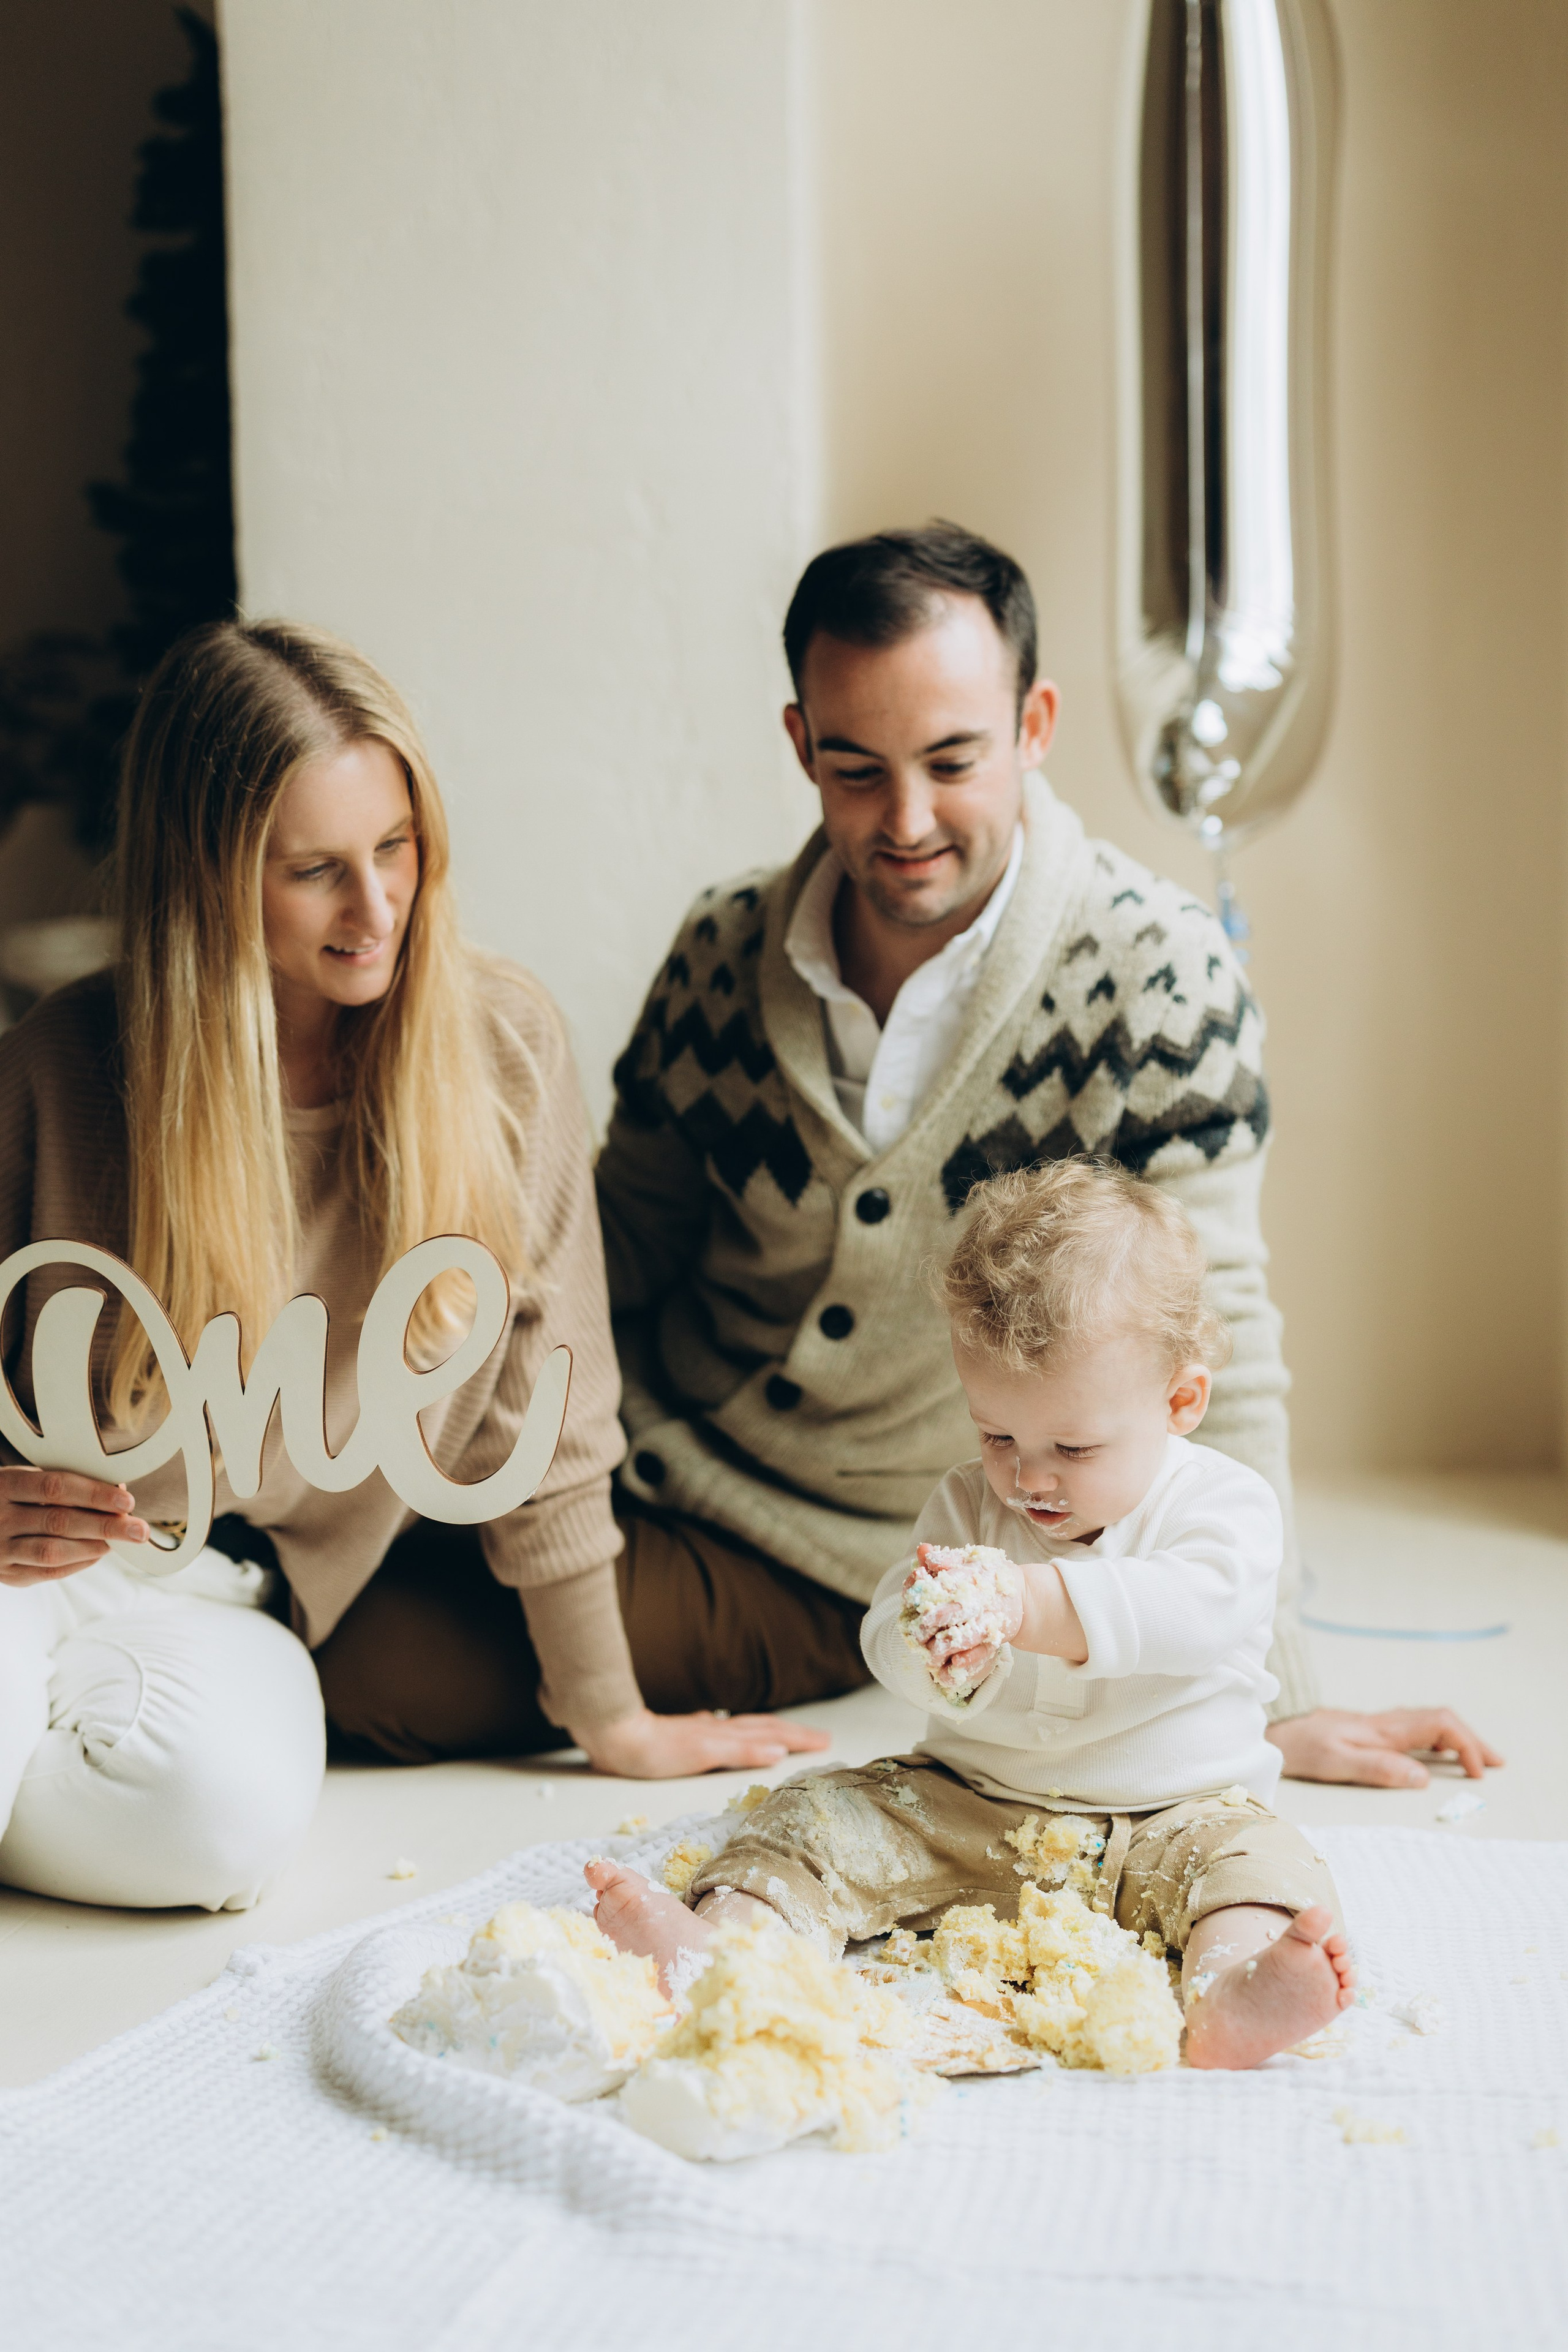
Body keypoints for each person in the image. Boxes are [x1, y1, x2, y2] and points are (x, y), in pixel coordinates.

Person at [596, 521, 1499, 1790]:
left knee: (387, 1673)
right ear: (798, 741)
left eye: (951, 760)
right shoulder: (719, 949)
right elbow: (614, 1246)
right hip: (646, 1461)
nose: (904, 820)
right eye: (853, 768)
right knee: (385, 1548)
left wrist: (1271, 1694)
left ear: (1034, 724)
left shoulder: (1157, 976)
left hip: (876, 1546)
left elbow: (1210, 1327)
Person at [0, 621, 820, 1914]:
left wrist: (608, 1715)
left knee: (216, 1834)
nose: (374, 909)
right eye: (315, 870)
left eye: (395, 848)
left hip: (235, 1603)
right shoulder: (62, 1064)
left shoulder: (500, 1051)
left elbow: (545, 1414)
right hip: (33, 1573)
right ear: (205, 875)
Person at [589, 1158, 1356, 2070]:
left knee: (1263, 1869)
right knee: (815, 1818)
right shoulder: (967, 1506)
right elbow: (887, 1625)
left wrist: (1028, 1602)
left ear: (1180, 1401)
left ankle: (1231, 1991)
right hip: (970, 1807)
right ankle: (728, 1946)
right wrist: (934, 1653)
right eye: (997, 1434)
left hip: (1174, 1817)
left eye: (1072, 1446)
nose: (1029, 1477)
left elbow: (1197, 1613)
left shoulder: (1224, 1506)